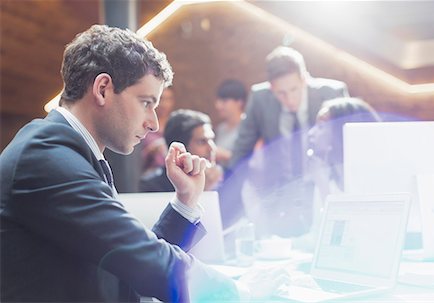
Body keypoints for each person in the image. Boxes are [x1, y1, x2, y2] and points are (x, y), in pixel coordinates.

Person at [0, 24, 284, 302]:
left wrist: (186, 202)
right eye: (146, 102)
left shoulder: (70, 151)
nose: (153, 123)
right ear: (102, 89)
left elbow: (130, 263)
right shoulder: (45, 156)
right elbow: (142, 260)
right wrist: (240, 292)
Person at [225, 46, 350, 237]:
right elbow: (242, 149)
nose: (289, 99)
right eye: (281, 93)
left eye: (294, 89)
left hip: (323, 188)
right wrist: (227, 187)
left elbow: (347, 146)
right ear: (271, 87)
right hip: (281, 193)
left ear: (304, 79)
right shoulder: (259, 98)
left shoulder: (332, 94)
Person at [296, 97, 381, 251]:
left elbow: (346, 242)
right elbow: (318, 238)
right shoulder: (326, 177)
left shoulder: (372, 183)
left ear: (340, 132)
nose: (311, 133)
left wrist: (324, 190)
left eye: (321, 127)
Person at [140, 109, 223, 193]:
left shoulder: (220, 180)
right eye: (202, 142)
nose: (212, 149)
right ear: (180, 149)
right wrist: (203, 190)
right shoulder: (152, 187)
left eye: (212, 140)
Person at [140, 86, 176, 179]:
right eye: (161, 99)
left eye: (168, 99)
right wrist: (151, 150)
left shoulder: (176, 125)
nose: (164, 104)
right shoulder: (145, 124)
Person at [214, 79, 247, 166]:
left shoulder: (249, 127)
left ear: (239, 102)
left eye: (224, 101)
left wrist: (224, 155)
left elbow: (252, 160)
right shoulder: (221, 128)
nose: (218, 105)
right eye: (218, 100)